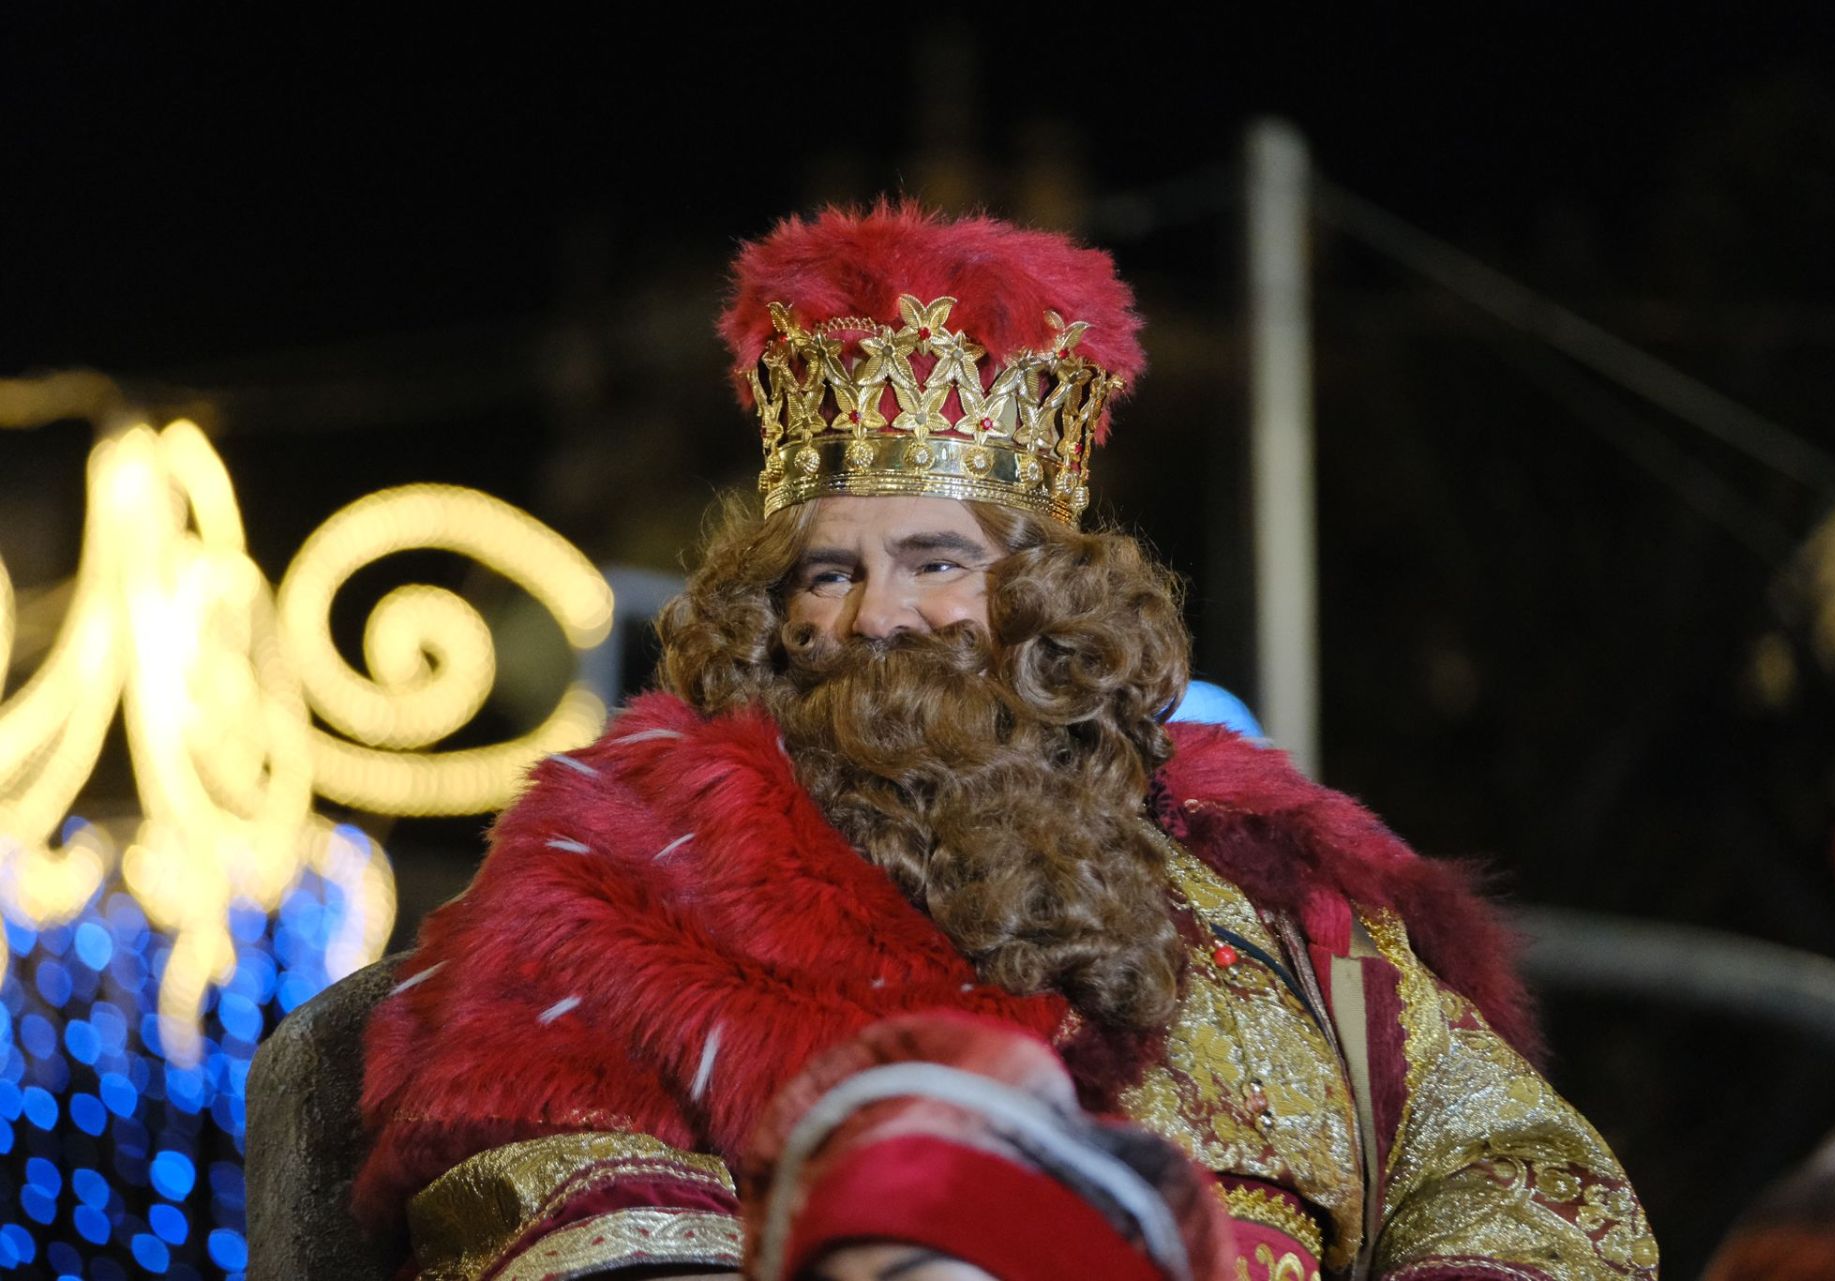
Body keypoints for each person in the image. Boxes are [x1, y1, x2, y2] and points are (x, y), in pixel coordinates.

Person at [351, 203, 1659, 1280]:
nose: (879, 616)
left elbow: (1512, 1177)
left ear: (1048, 603)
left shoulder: (1273, 893)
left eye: (933, 560)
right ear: (774, 613)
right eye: (827, 575)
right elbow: (558, 1195)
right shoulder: (625, 877)